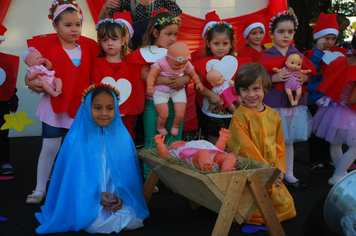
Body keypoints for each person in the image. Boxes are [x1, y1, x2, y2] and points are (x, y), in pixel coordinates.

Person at [35, 84, 149, 234]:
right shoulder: (76, 140)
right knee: (96, 225)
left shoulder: (123, 138)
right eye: (97, 108)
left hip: (114, 198)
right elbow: (74, 180)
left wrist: (120, 195)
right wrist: (96, 196)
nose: (104, 113)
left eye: (110, 108)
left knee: (136, 217)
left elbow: (127, 175)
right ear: (87, 108)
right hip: (85, 199)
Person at [25, 0, 100, 204]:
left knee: (78, 150)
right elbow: (30, 75)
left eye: (77, 24)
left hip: (81, 106)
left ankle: (76, 187)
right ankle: (40, 189)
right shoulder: (44, 48)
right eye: (68, 25)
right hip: (54, 107)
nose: (74, 29)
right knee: (49, 148)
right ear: (55, 26)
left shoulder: (89, 46)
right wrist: (30, 84)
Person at [125, 10, 191, 182]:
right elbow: (146, 75)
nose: (172, 39)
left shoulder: (178, 51)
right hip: (153, 105)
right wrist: (172, 80)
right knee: (152, 141)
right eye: (168, 34)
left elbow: (190, 72)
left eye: (175, 34)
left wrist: (184, 78)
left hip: (176, 104)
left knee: (174, 141)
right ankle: (149, 179)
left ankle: (173, 180)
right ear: (155, 32)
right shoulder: (146, 53)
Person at [227, 62, 296, 225]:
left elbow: (279, 146)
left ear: (265, 88)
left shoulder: (273, 115)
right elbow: (243, 148)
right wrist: (266, 173)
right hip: (252, 173)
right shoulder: (240, 116)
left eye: (256, 89)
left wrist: (278, 171)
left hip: (272, 172)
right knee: (253, 209)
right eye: (245, 89)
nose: (251, 95)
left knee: (285, 206)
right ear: (238, 91)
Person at [259, 10, 313, 189]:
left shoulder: (297, 54)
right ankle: (273, 173)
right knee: (272, 141)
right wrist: (273, 79)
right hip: (273, 104)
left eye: (290, 32)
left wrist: (303, 78)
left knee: (288, 141)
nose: (286, 35)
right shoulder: (267, 55)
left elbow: (308, 75)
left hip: (292, 105)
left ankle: (289, 173)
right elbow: (258, 79)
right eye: (281, 31)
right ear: (272, 33)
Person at [193, 11, 251, 144]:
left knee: (235, 139)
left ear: (231, 43)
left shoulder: (239, 63)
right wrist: (210, 94)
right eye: (216, 43)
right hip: (214, 111)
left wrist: (239, 88)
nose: (221, 48)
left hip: (235, 111)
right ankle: (214, 161)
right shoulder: (203, 64)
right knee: (214, 138)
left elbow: (245, 83)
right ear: (208, 43)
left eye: (225, 44)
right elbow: (198, 86)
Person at [304, 13, 348, 174]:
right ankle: (315, 160)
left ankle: (328, 158)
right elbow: (310, 71)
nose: (329, 42)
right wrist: (318, 53)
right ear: (318, 37)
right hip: (315, 99)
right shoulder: (309, 54)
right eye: (326, 38)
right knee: (315, 132)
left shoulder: (340, 54)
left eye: (332, 39)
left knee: (330, 130)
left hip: (332, 100)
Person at [312, 33, 356, 186]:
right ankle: (337, 176)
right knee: (354, 147)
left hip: (333, 109)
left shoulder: (339, 62)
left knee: (335, 144)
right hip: (348, 112)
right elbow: (352, 100)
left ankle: (341, 175)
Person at [91, 15, 145, 138]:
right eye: (105, 40)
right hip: (104, 114)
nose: (109, 43)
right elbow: (94, 87)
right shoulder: (97, 63)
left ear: (122, 40)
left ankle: (126, 157)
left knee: (127, 135)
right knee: (105, 136)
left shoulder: (134, 62)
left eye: (114, 39)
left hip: (128, 113)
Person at [146, 42, 204, 136]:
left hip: (178, 91)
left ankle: (176, 126)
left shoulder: (186, 64)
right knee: (163, 114)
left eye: (183, 65)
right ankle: (160, 126)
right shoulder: (161, 62)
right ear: (167, 58)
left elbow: (193, 74)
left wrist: (198, 83)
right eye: (177, 65)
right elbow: (151, 75)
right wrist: (150, 86)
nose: (181, 67)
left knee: (180, 113)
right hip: (161, 92)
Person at [99, 0, 182, 49]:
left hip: (155, 43)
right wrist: (104, 9)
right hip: (136, 44)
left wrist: (167, 32)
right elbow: (105, 24)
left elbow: (177, 17)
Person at [155, 128, 236, 172]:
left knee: (229, 157)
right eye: (173, 145)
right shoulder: (178, 151)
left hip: (214, 157)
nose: (177, 143)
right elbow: (165, 156)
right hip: (196, 159)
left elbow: (218, 149)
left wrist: (222, 138)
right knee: (203, 153)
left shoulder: (195, 143)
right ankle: (205, 166)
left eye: (179, 142)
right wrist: (160, 144)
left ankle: (226, 169)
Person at [0, 23, 19, 175]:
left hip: (2, 104)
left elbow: (10, 82)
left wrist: (13, 97)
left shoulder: (5, 62)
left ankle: (5, 162)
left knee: (2, 134)